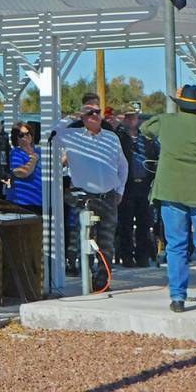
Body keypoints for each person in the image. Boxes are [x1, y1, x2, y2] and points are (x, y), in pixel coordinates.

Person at [141, 85, 196, 313]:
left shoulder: (165, 122)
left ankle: (178, 298)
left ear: (180, 104)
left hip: (171, 191)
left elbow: (144, 129)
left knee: (176, 246)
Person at [51, 96, 128, 290]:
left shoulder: (111, 137)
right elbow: (50, 133)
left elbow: (122, 165)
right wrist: (73, 116)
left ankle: (102, 281)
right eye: (89, 113)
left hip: (108, 195)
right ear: (83, 117)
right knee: (84, 238)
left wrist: (120, 189)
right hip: (85, 195)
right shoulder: (72, 135)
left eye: (97, 112)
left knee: (107, 241)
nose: (94, 116)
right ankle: (84, 275)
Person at [116, 108, 157, 267]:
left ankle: (143, 256)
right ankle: (127, 256)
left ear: (138, 118)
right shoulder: (119, 137)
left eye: (132, 117)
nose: (130, 120)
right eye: (127, 117)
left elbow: (154, 156)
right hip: (127, 185)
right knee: (125, 223)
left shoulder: (146, 138)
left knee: (144, 223)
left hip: (144, 185)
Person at [8, 122, 42, 215]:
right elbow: (22, 173)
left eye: (28, 133)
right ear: (16, 138)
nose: (26, 136)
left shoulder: (40, 151)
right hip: (23, 202)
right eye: (21, 135)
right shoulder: (15, 153)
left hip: (40, 200)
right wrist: (34, 159)